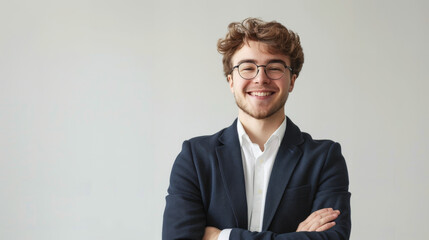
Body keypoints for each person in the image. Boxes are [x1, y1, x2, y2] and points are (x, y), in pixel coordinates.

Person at [162, 18, 351, 240]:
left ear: (292, 81)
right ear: (231, 81)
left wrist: (220, 237)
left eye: (274, 68)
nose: (261, 79)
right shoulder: (195, 157)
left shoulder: (324, 158)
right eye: (248, 68)